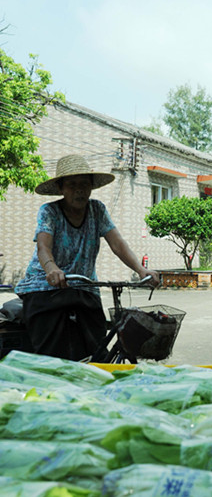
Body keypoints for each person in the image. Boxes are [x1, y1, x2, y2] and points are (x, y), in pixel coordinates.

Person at [15, 154, 160, 361]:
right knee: (50, 350)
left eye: (84, 184)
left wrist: (141, 269)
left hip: (84, 287)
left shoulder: (97, 209)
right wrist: (51, 269)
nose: (79, 190)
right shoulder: (49, 211)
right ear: (61, 188)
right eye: (72, 184)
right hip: (45, 287)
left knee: (97, 344)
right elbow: (43, 246)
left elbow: (117, 244)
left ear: (91, 187)